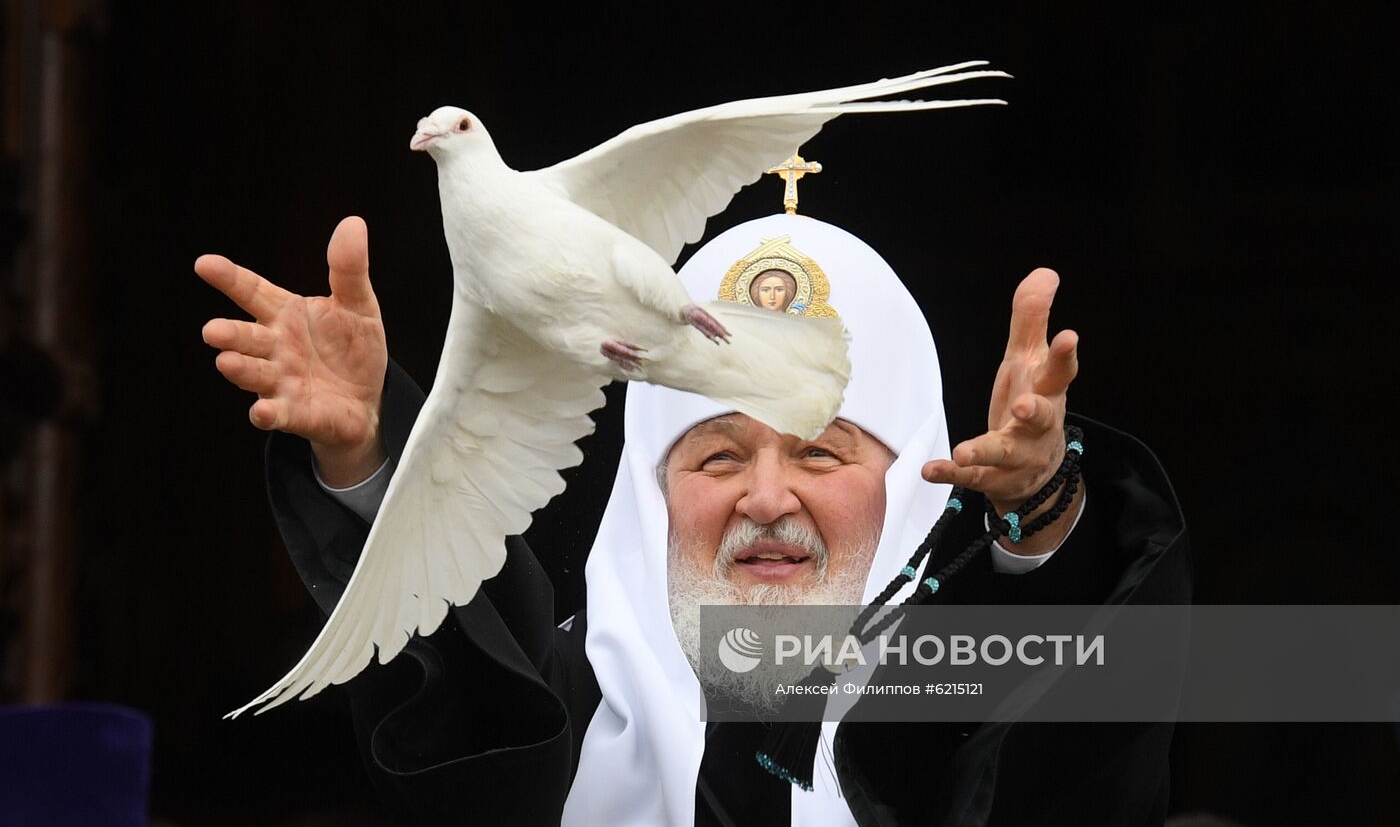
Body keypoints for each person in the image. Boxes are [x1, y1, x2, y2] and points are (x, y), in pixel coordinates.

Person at [197, 212, 1188, 826]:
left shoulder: (962, 718)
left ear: (909, 489)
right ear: (648, 488)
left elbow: (1078, 758)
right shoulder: (556, 724)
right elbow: (460, 670)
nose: (764, 499)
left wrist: (1041, 514)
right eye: (715, 454)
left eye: (817, 451)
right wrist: (372, 455)